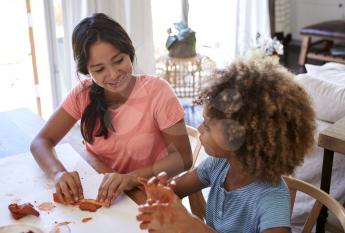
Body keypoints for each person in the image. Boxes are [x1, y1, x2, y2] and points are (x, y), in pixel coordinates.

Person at [30, 13, 192, 207]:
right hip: (101, 195)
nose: (113, 74)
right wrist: (58, 174)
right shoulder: (83, 94)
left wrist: (130, 178)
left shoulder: (158, 92)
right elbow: (41, 142)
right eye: (99, 69)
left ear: (129, 52)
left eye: (118, 60)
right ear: (87, 71)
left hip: (148, 197)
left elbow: (183, 159)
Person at [136, 58, 316, 233]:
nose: (199, 128)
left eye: (207, 125)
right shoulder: (219, 165)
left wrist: (195, 227)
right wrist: (162, 194)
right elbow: (175, 190)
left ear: (240, 136)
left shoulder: (271, 198)